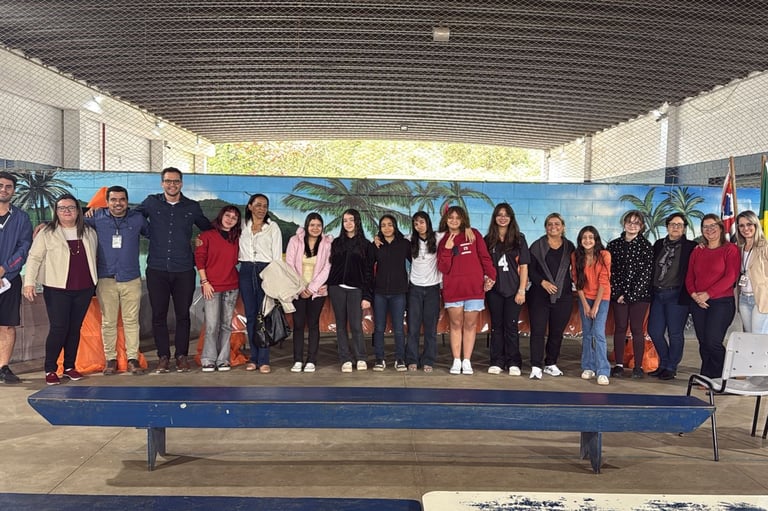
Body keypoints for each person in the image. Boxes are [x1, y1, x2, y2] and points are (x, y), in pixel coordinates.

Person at [138, 167, 211, 373]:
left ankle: (181, 356)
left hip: (184, 269)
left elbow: (208, 229)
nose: (172, 185)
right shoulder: (151, 202)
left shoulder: (192, 207)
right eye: (168, 181)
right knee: (158, 316)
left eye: (176, 181)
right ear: (162, 183)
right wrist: (95, 212)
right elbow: (129, 217)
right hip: (157, 268)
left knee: (183, 315)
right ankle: (163, 357)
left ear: (181, 183)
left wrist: (205, 241)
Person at [23, 194, 97, 385]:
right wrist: (29, 282)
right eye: (62, 208)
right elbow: (34, 258)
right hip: (57, 289)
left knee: (75, 328)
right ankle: (50, 369)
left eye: (71, 207)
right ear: (56, 212)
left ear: (78, 211)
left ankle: (70, 367)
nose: (66, 211)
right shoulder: (47, 232)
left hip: (84, 288)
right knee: (58, 328)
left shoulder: (88, 231)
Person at [86, 186, 149, 375]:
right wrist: (45, 225)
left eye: (122, 199)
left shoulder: (137, 219)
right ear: (107, 202)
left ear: (127, 201)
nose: (118, 203)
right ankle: (110, 360)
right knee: (108, 322)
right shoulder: (96, 217)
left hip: (131, 278)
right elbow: (70, 221)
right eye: (113, 199)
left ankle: (132, 359)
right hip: (106, 279)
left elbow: (154, 234)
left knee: (131, 321)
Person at [438, 206, 496, 375]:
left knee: (470, 325)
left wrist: (491, 277)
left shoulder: (473, 234)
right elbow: (443, 267)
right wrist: (447, 249)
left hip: (474, 288)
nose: (454, 221)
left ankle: (467, 361)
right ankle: (456, 360)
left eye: (458, 217)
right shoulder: (443, 240)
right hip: (453, 289)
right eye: (451, 217)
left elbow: (485, 258)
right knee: (456, 324)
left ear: (463, 219)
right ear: (446, 219)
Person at [685, 214, 740, 378]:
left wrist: (708, 294)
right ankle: (706, 375)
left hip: (721, 303)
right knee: (703, 342)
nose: (709, 229)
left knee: (713, 341)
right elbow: (689, 276)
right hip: (698, 303)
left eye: (713, 225)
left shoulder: (730, 249)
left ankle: (722, 375)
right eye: (705, 227)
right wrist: (695, 296)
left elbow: (731, 277)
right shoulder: (698, 250)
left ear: (721, 228)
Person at [527, 213, 575, 379]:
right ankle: (536, 366)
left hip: (563, 296)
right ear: (545, 227)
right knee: (538, 331)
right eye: (550, 224)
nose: (553, 227)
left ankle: (550, 363)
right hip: (539, 295)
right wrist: (543, 283)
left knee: (556, 332)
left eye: (557, 224)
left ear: (563, 227)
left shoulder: (570, 247)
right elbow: (530, 270)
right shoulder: (536, 246)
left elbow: (577, 268)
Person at [648, 213, 696, 380]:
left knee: (675, 333)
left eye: (679, 225)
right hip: (658, 294)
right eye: (672, 224)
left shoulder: (691, 247)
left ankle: (671, 366)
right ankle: (663, 362)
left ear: (684, 228)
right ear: (667, 226)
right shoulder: (658, 244)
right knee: (654, 331)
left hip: (677, 295)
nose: (676, 227)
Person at [606, 210, 653, 378]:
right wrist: (618, 294)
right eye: (629, 222)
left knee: (637, 329)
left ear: (641, 226)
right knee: (620, 328)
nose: (632, 225)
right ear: (624, 224)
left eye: (636, 223)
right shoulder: (614, 245)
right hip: (618, 296)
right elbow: (610, 272)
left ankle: (638, 367)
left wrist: (630, 295)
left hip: (640, 296)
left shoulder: (646, 246)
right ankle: (618, 365)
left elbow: (646, 274)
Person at [195, 205, 242, 372]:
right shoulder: (206, 236)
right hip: (211, 287)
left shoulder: (237, 239)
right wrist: (205, 282)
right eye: (228, 215)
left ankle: (223, 359)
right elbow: (199, 260)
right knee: (211, 325)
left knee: (226, 325)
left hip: (231, 286)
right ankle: (208, 359)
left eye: (234, 218)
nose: (230, 219)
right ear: (221, 216)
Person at [239, 193, 282, 374]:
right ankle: (253, 358)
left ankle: (264, 360)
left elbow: (277, 257)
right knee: (250, 316)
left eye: (265, 206)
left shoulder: (273, 227)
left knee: (263, 316)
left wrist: (274, 280)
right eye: (258, 205)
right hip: (246, 270)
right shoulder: (242, 226)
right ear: (250, 206)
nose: (262, 209)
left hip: (266, 271)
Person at [484, 203, 529, 376]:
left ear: (511, 218)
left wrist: (521, 290)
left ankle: (513, 362)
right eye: (499, 214)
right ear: (494, 217)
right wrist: (485, 280)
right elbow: (483, 264)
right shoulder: (488, 239)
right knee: (497, 326)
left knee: (511, 326)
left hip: (513, 291)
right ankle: (497, 361)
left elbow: (524, 266)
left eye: (506, 215)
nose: (502, 218)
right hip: (495, 291)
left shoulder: (519, 239)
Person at [327, 209, 375, 373]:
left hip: (356, 290)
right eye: (345, 220)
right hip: (337, 288)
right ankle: (345, 358)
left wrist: (367, 296)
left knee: (355, 325)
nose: (348, 223)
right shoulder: (336, 243)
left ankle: (361, 357)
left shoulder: (366, 245)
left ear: (357, 222)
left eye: (351, 220)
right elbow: (331, 266)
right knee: (340, 325)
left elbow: (369, 272)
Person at [285, 213, 332, 373]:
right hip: (297, 290)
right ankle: (297, 360)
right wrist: (300, 288)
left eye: (319, 225)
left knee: (313, 324)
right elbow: (289, 265)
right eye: (312, 225)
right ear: (306, 225)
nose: (315, 228)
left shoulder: (327, 243)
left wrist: (311, 288)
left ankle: (311, 360)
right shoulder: (295, 240)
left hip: (317, 291)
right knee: (298, 325)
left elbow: (327, 268)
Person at [0, 172, 32, 384]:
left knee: (7, 325)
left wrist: (4, 269)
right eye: (0, 185)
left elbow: (24, 247)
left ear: (13, 190)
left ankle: (3, 367)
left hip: (8, 280)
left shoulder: (21, 218)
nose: (4, 189)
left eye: (8, 186)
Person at [572, 226, 612, 385]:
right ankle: (588, 366)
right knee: (587, 333)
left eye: (591, 237)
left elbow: (604, 281)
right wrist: (585, 305)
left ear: (596, 240)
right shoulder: (576, 256)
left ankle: (603, 370)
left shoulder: (604, 255)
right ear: (580, 240)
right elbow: (577, 281)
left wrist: (595, 306)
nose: (587, 240)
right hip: (585, 297)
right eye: (584, 237)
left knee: (598, 333)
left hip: (602, 298)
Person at [372, 214, 411, 371]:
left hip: (399, 293)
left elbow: (415, 261)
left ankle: (400, 359)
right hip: (379, 293)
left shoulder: (404, 244)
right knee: (379, 328)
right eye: (383, 225)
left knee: (399, 328)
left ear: (395, 226)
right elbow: (368, 267)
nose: (386, 228)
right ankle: (379, 359)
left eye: (389, 224)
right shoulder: (376, 245)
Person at [405, 212, 442, 373]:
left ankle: (428, 360)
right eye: (415, 223)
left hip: (433, 288)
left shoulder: (438, 238)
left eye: (421, 222)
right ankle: (412, 359)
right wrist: (378, 237)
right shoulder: (409, 239)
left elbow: (456, 231)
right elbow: (390, 236)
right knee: (413, 327)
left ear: (428, 222)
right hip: (415, 288)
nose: (418, 226)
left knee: (430, 328)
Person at [734, 210, 768, 334]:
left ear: (755, 225)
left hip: (760, 299)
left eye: (749, 224)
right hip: (743, 299)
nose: (745, 228)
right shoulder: (738, 248)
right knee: (748, 335)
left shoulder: (765, 247)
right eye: (741, 225)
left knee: (758, 335)